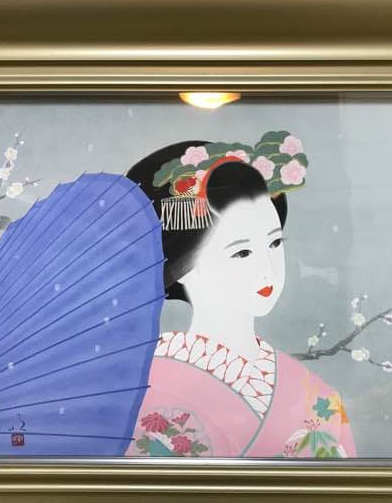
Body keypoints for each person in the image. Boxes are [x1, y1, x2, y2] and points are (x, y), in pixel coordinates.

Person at [124, 132, 356, 458]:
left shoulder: (315, 394)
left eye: (274, 243)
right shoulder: (145, 389)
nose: (267, 269)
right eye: (242, 252)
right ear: (183, 266)